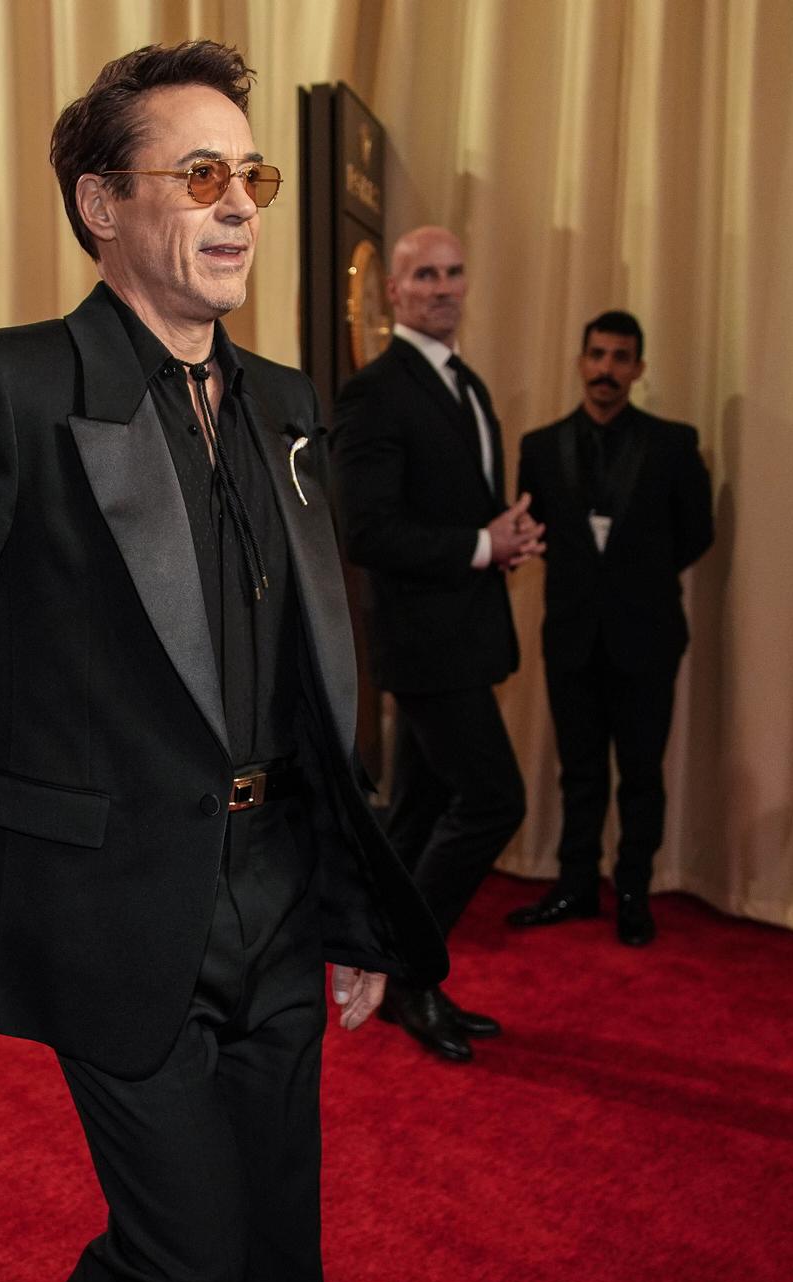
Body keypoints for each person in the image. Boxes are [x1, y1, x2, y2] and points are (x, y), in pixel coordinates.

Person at [0, 40, 445, 1282]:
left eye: (249, 174)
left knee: (280, 1263)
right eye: (195, 174)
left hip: (281, 897)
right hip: (112, 906)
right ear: (100, 204)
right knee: (183, 1258)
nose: (236, 203)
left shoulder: (286, 407)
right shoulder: (13, 388)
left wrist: (349, 903)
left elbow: (304, 684)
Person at [332, 226, 543, 1062]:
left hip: (464, 635)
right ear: (394, 293)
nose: (443, 287)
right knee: (495, 800)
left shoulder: (466, 383)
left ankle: (389, 970)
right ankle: (414, 974)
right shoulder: (376, 392)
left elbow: (460, 509)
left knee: (418, 811)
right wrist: (483, 546)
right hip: (424, 646)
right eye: (424, 274)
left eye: (455, 272)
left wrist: (504, 539)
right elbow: (369, 530)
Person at [511, 311, 713, 946]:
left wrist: (636, 580)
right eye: (597, 355)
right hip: (571, 636)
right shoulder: (539, 448)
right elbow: (534, 531)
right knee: (579, 771)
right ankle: (574, 885)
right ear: (579, 361)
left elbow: (696, 534)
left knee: (642, 772)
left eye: (621, 358)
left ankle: (632, 892)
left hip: (648, 637)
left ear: (639, 369)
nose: (606, 369)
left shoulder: (675, 444)